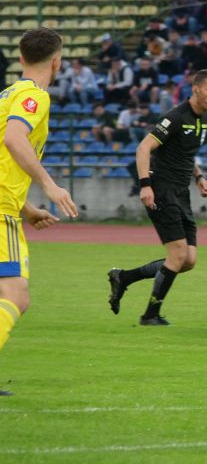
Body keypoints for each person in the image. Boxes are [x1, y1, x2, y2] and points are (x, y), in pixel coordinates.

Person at [106, 70, 207, 325]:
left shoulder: (203, 118)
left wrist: (199, 176)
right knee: (178, 254)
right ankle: (150, 315)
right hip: (162, 189)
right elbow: (143, 148)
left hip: (181, 192)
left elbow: (186, 153)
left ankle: (123, 278)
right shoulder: (176, 117)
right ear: (196, 90)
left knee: (188, 260)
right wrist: (145, 185)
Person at [0, 29, 77, 388]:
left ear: (21, 58)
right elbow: (13, 139)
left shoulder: (7, 94)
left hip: (10, 204)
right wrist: (48, 184)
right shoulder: (33, 96)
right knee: (16, 295)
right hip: (1, 211)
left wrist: (28, 208)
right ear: (57, 61)